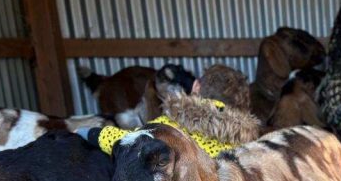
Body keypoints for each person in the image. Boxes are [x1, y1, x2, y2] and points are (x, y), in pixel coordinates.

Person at [91, 64, 262, 157]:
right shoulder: (250, 145)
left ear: (196, 86)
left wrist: (91, 133)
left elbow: (128, 142)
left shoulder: (168, 127)